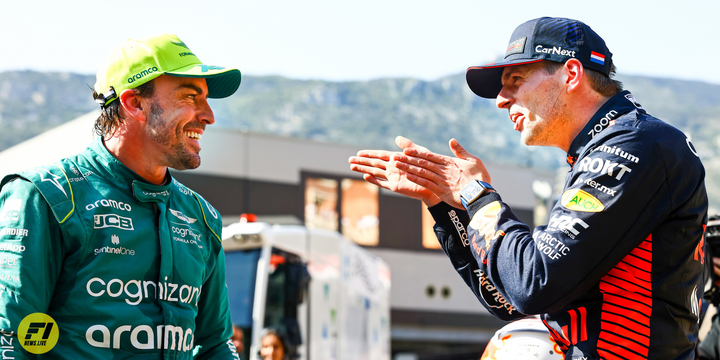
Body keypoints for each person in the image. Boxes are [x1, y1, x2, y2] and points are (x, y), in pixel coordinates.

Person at [350, 17, 708, 359]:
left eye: (516, 80)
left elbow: (533, 285)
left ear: (570, 74)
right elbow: (508, 299)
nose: (502, 100)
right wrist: (447, 205)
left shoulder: (633, 146)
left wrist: (476, 195)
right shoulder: (608, 150)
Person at [0, 34, 242, 358]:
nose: (209, 115)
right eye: (190, 97)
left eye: (207, 99)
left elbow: (215, 345)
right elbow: (11, 339)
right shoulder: (46, 197)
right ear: (134, 103)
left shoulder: (202, 217)